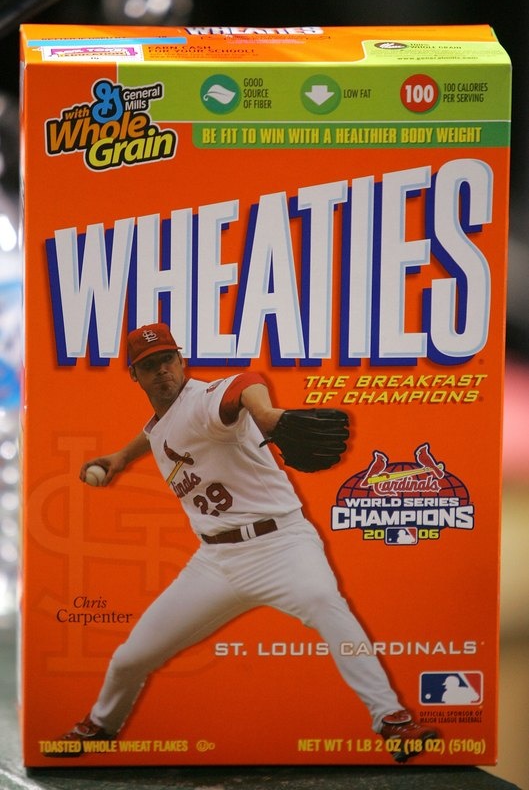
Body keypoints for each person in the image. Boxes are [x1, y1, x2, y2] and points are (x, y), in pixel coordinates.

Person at [56, 322, 437, 762]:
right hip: (215, 561)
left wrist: (268, 416)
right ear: (134, 376)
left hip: (282, 545)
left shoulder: (203, 400)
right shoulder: (164, 422)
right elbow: (159, 432)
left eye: (167, 360)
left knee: (324, 603)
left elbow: (245, 382)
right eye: (149, 365)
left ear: (181, 361)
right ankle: (101, 726)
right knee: (130, 658)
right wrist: (121, 457)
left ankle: (392, 719)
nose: (161, 370)